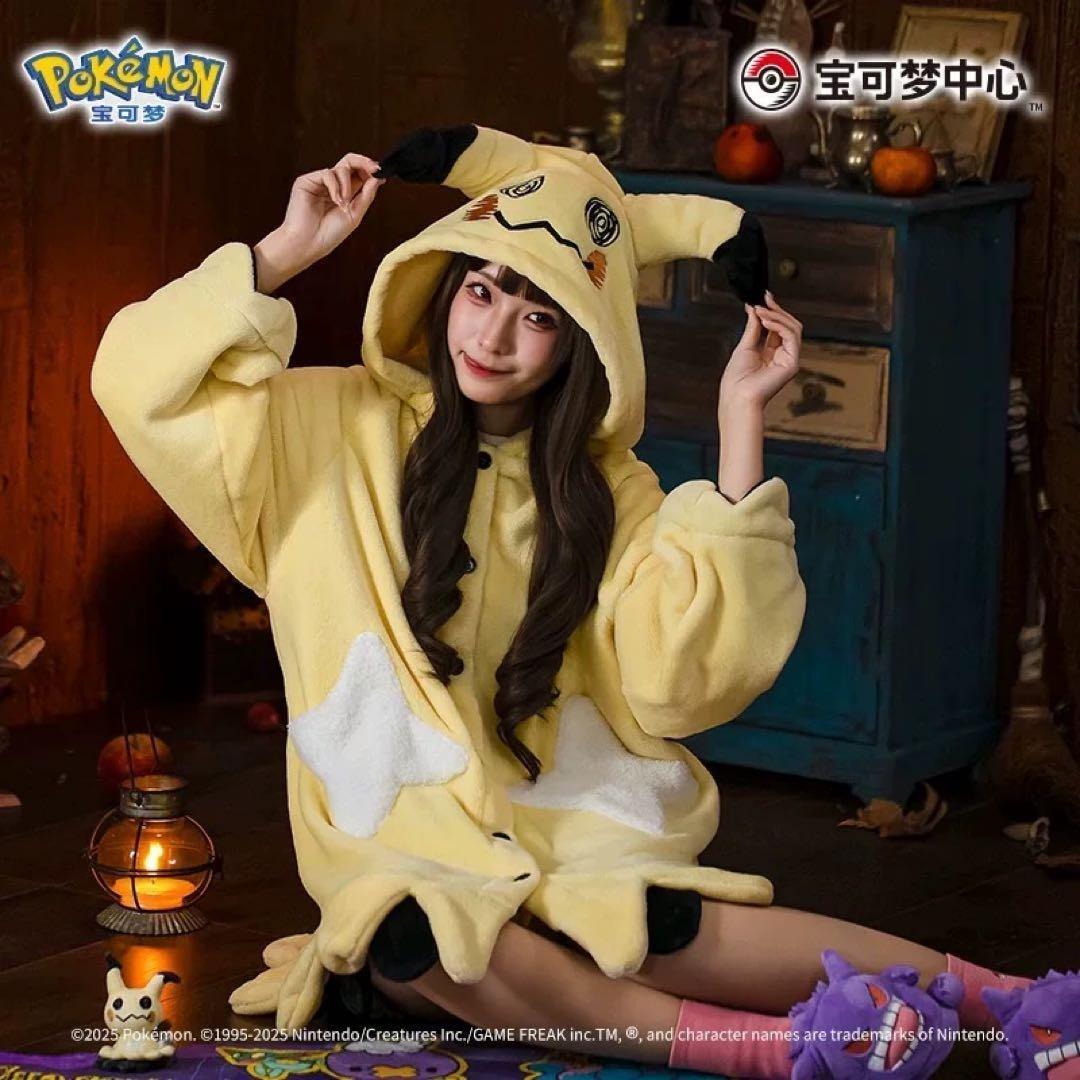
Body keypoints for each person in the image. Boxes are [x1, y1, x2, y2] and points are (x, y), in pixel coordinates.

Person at [91, 125, 1037, 1078]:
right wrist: (282, 254)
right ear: (443, 286)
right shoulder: (319, 429)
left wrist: (741, 423)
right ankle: (769, 1050)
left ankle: (1016, 1005)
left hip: (573, 836)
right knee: (413, 936)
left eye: (539, 314)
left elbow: (687, 682)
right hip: (402, 859)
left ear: (583, 339)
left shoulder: (608, 495)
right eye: (481, 291)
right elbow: (135, 384)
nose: (493, 337)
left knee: (651, 923)